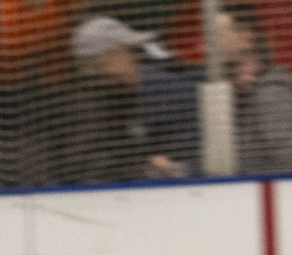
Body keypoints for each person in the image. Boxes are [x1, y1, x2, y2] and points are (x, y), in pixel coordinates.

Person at [68, 15, 202, 181]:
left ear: (110, 54)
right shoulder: (105, 98)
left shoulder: (171, 92)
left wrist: (166, 166)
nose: (91, 71)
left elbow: (190, 159)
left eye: (93, 63)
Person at [204, 7, 292, 174]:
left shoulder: (272, 94)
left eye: (216, 35)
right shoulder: (235, 95)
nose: (206, 45)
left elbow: (291, 167)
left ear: (245, 39)